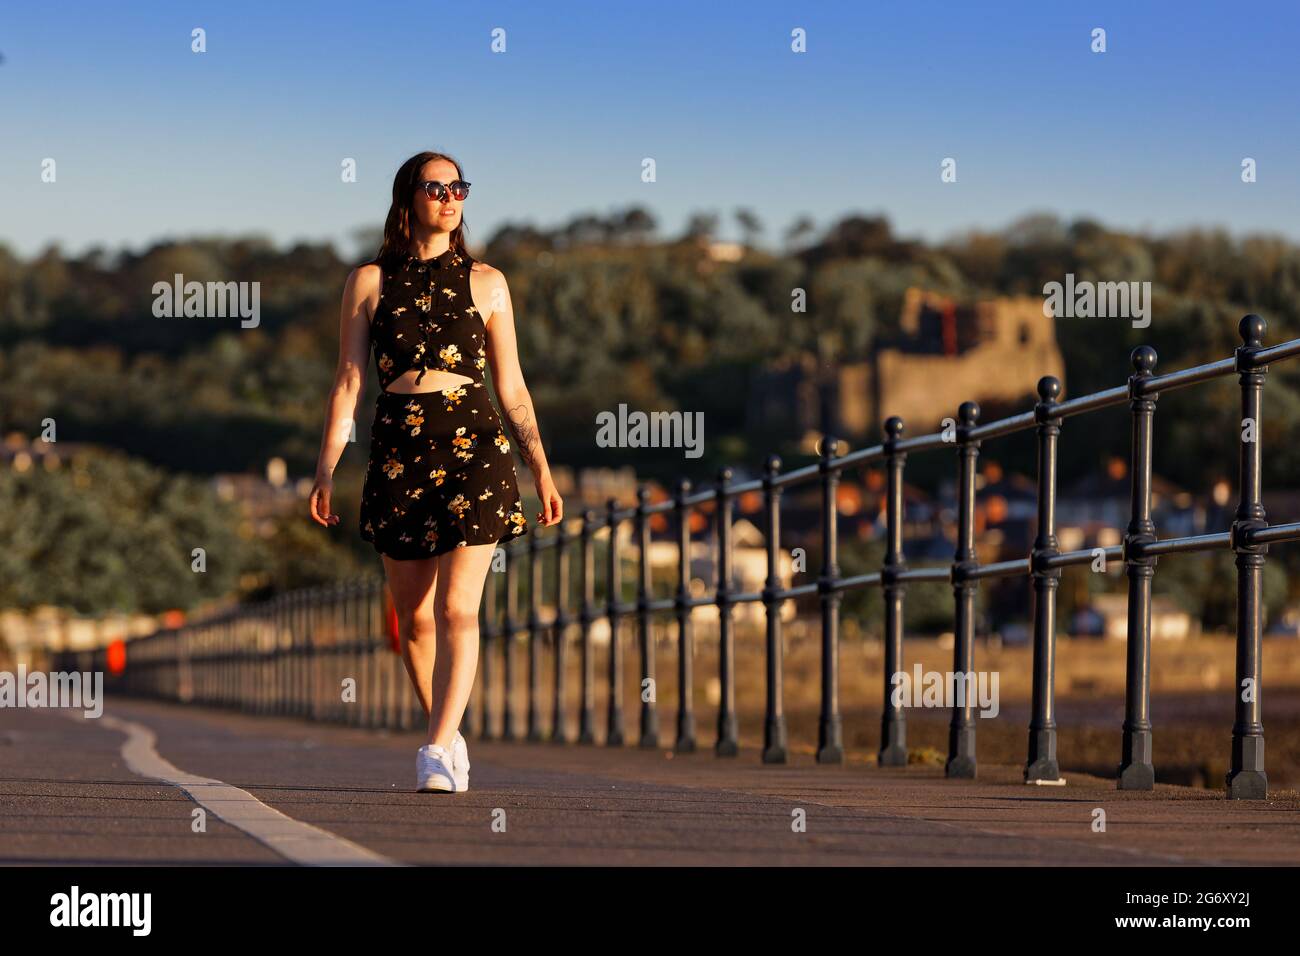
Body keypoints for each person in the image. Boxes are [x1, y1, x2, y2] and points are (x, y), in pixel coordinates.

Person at [309, 151, 562, 792]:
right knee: (414, 618)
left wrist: (541, 469)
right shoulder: (367, 282)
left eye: (460, 187)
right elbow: (349, 380)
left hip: (474, 447)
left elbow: (514, 388)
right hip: (398, 451)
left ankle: (434, 749)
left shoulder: (488, 281)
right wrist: (325, 468)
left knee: (456, 609)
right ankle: (447, 733)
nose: (451, 198)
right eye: (436, 187)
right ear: (407, 199)